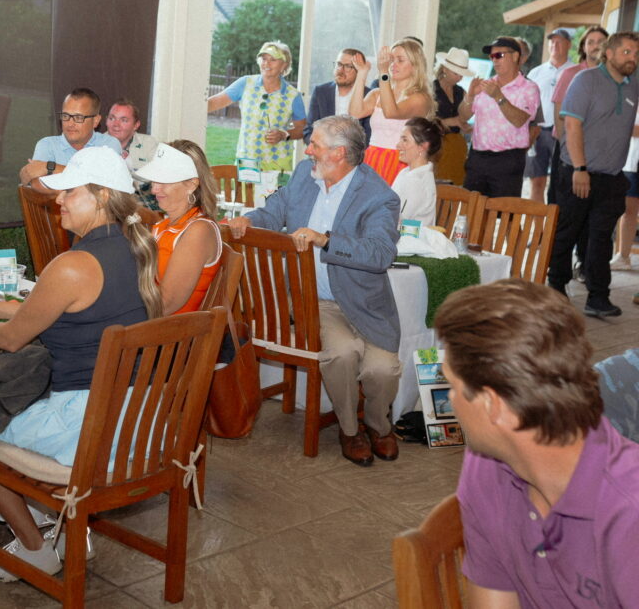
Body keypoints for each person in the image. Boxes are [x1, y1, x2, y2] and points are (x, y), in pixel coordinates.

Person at [0, 146, 160, 581]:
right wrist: (4, 306)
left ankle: (35, 546)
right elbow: (77, 310)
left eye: (69, 193)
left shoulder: (72, 264)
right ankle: (57, 525)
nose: (57, 200)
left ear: (101, 197)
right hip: (139, 419)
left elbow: (12, 339)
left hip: (88, 427)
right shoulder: (137, 250)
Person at [433, 279, 639, 609]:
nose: (450, 401)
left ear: (492, 405)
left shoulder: (630, 514)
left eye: (452, 386)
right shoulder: (486, 464)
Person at [226, 115, 401, 466]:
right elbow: (273, 212)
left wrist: (327, 240)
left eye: (315, 145)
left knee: (383, 370)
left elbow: (381, 254)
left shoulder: (379, 197)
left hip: (365, 304)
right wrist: (249, 220)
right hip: (318, 304)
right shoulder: (305, 178)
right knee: (342, 353)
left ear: (338, 153)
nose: (307, 150)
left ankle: (379, 427)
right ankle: (350, 432)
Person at [549, 32, 639, 318]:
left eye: (636, 54)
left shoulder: (633, 85)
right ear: (608, 53)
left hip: (612, 177)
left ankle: (598, 297)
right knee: (567, 231)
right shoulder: (585, 81)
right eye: (626, 52)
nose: (632, 59)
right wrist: (580, 168)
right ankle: (555, 287)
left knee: (601, 237)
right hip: (578, 171)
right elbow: (572, 126)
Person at [135, 140, 221, 313]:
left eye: (164, 181)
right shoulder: (163, 225)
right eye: (154, 181)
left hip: (169, 335)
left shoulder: (198, 231)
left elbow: (166, 304)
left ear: (191, 184)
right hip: (150, 324)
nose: (154, 189)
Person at [206, 40, 307, 172]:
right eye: (263, 58)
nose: (266, 63)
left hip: (278, 164)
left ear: (284, 65)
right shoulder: (245, 83)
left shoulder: (293, 95)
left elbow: (302, 129)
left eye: (273, 59)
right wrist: (190, 108)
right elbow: (214, 102)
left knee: (274, 193)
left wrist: (283, 134)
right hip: (248, 159)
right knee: (244, 193)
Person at [458, 36, 540, 198]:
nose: (494, 60)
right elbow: (463, 116)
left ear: (516, 56)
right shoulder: (485, 84)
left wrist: (498, 97)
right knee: (471, 211)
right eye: (491, 56)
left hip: (507, 160)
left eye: (499, 55)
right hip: (478, 158)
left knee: (505, 216)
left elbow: (520, 120)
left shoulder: (528, 88)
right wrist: (470, 96)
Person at [349, 39, 435, 185]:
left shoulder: (420, 98)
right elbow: (355, 112)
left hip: (400, 161)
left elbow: (390, 111)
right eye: (391, 60)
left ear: (415, 66)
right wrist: (362, 74)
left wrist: (383, 72)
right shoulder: (377, 93)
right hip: (372, 158)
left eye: (400, 60)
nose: (393, 65)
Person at [19, 88, 121, 193]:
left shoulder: (109, 145)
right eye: (65, 116)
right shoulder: (47, 145)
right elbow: (37, 184)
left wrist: (50, 167)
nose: (70, 123)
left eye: (78, 117)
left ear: (95, 121)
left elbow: (105, 182)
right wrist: (89, 181)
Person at [551, 26, 609, 205]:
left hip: (599, 152)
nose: (595, 46)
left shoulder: (613, 78)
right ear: (583, 47)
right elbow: (559, 113)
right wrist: (565, 149)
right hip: (568, 151)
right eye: (590, 42)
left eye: (601, 42)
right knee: (563, 205)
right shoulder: (570, 73)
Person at [526, 29, 576, 203]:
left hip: (563, 134)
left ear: (569, 44)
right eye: (552, 41)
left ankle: (555, 226)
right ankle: (538, 228)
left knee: (559, 182)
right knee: (537, 181)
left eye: (559, 41)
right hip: (537, 132)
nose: (555, 45)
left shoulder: (576, 72)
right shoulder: (536, 73)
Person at [303, 49, 372, 144]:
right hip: (322, 154)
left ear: (359, 71)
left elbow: (369, 136)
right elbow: (308, 131)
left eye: (348, 66)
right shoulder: (321, 92)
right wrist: (321, 150)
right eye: (339, 64)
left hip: (355, 156)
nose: (340, 70)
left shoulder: (369, 95)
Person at [104, 97, 160, 210]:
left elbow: (158, 179)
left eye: (123, 120)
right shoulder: (95, 146)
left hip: (145, 207)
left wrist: (127, 166)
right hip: (108, 207)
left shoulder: (149, 144)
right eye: (112, 118)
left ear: (136, 125)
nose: (116, 124)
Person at [432, 48, 474, 184]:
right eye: (457, 73)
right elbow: (423, 121)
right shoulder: (430, 89)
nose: (460, 77)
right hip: (436, 145)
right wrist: (449, 122)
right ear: (444, 69)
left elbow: (464, 117)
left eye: (462, 74)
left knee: (455, 187)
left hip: (457, 145)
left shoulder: (460, 91)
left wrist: (464, 125)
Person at [392, 118, 443, 227]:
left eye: (405, 140)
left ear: (422, 147)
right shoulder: (406, 172)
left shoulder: (417, 181)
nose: (398, 145)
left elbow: (396, 220)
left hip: (409, 241)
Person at [610, 110, 639, 271]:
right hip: (632, 161)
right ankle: (623, 256)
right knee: (628, 210)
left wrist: (626, 128)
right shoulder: (632, 94)